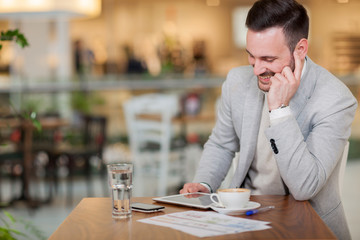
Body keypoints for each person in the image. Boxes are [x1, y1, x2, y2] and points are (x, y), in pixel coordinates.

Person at [180, 0, 357, 239]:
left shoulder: (335, 99)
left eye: (268, 59)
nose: (256, 69)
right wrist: (204, 183)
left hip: (308, 224)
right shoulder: (237, 82)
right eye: (251, 56)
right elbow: (222, 144)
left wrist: (280, 110)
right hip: (245, 217)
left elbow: (305, 187)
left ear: (301, 49)